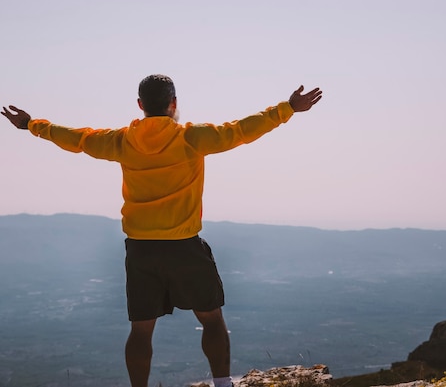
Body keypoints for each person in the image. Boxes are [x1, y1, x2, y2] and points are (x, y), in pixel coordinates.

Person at [1, 74, 323, 387]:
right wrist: (288, 108)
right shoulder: (190, 137)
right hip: (184, 246)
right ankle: (223, 384)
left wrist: (31, 125)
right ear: (174, 103)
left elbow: (77, 138)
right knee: (211, 319)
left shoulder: (122, 140)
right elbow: (239, 131)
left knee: (141, 331)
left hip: (141, 249)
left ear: (140, 104)